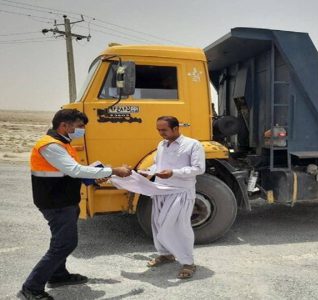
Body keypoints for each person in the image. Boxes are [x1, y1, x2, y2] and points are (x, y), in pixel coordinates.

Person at [20, 109, 132, 300]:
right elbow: (74, 170)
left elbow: (73, 172)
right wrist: (114, 170)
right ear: (64, 125)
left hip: (65, 200)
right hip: (55, 203)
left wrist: (95, 177)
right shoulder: (50, 146)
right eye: (79, 127)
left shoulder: (63, 144)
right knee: (64, 244)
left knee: (60, 241)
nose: (82, 131)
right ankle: (31, 287)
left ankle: (58, 275)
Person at [143, 116, 205, 279]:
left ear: (176, 128)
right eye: (158, 130)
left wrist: (174, 173)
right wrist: (147, 171)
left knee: (180, 227)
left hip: (181, 192)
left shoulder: (192, 145)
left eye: (164, 130)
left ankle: (188, 262)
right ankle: (166, 254)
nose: (160, 133)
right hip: (161, 190)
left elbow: (199, 168)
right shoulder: (161, 145)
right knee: (157, 224)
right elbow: (159, 165)